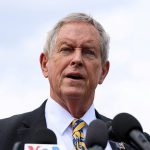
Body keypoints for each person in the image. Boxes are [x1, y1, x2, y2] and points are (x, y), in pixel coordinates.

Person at [0, 12, 149, 150]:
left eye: (88, 52)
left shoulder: (133, 143)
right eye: (66, 49)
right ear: (45, 64)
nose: (77, 59)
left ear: (103, 71)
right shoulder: (4, 135)